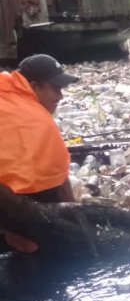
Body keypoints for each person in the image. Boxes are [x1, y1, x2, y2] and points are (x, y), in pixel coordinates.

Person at [0, 54, 79, 252]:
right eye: (56, 88)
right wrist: (79, 221)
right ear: (33, 86)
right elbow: (59, 179)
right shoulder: (34, 120)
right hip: (18, 215)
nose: (61, 96)